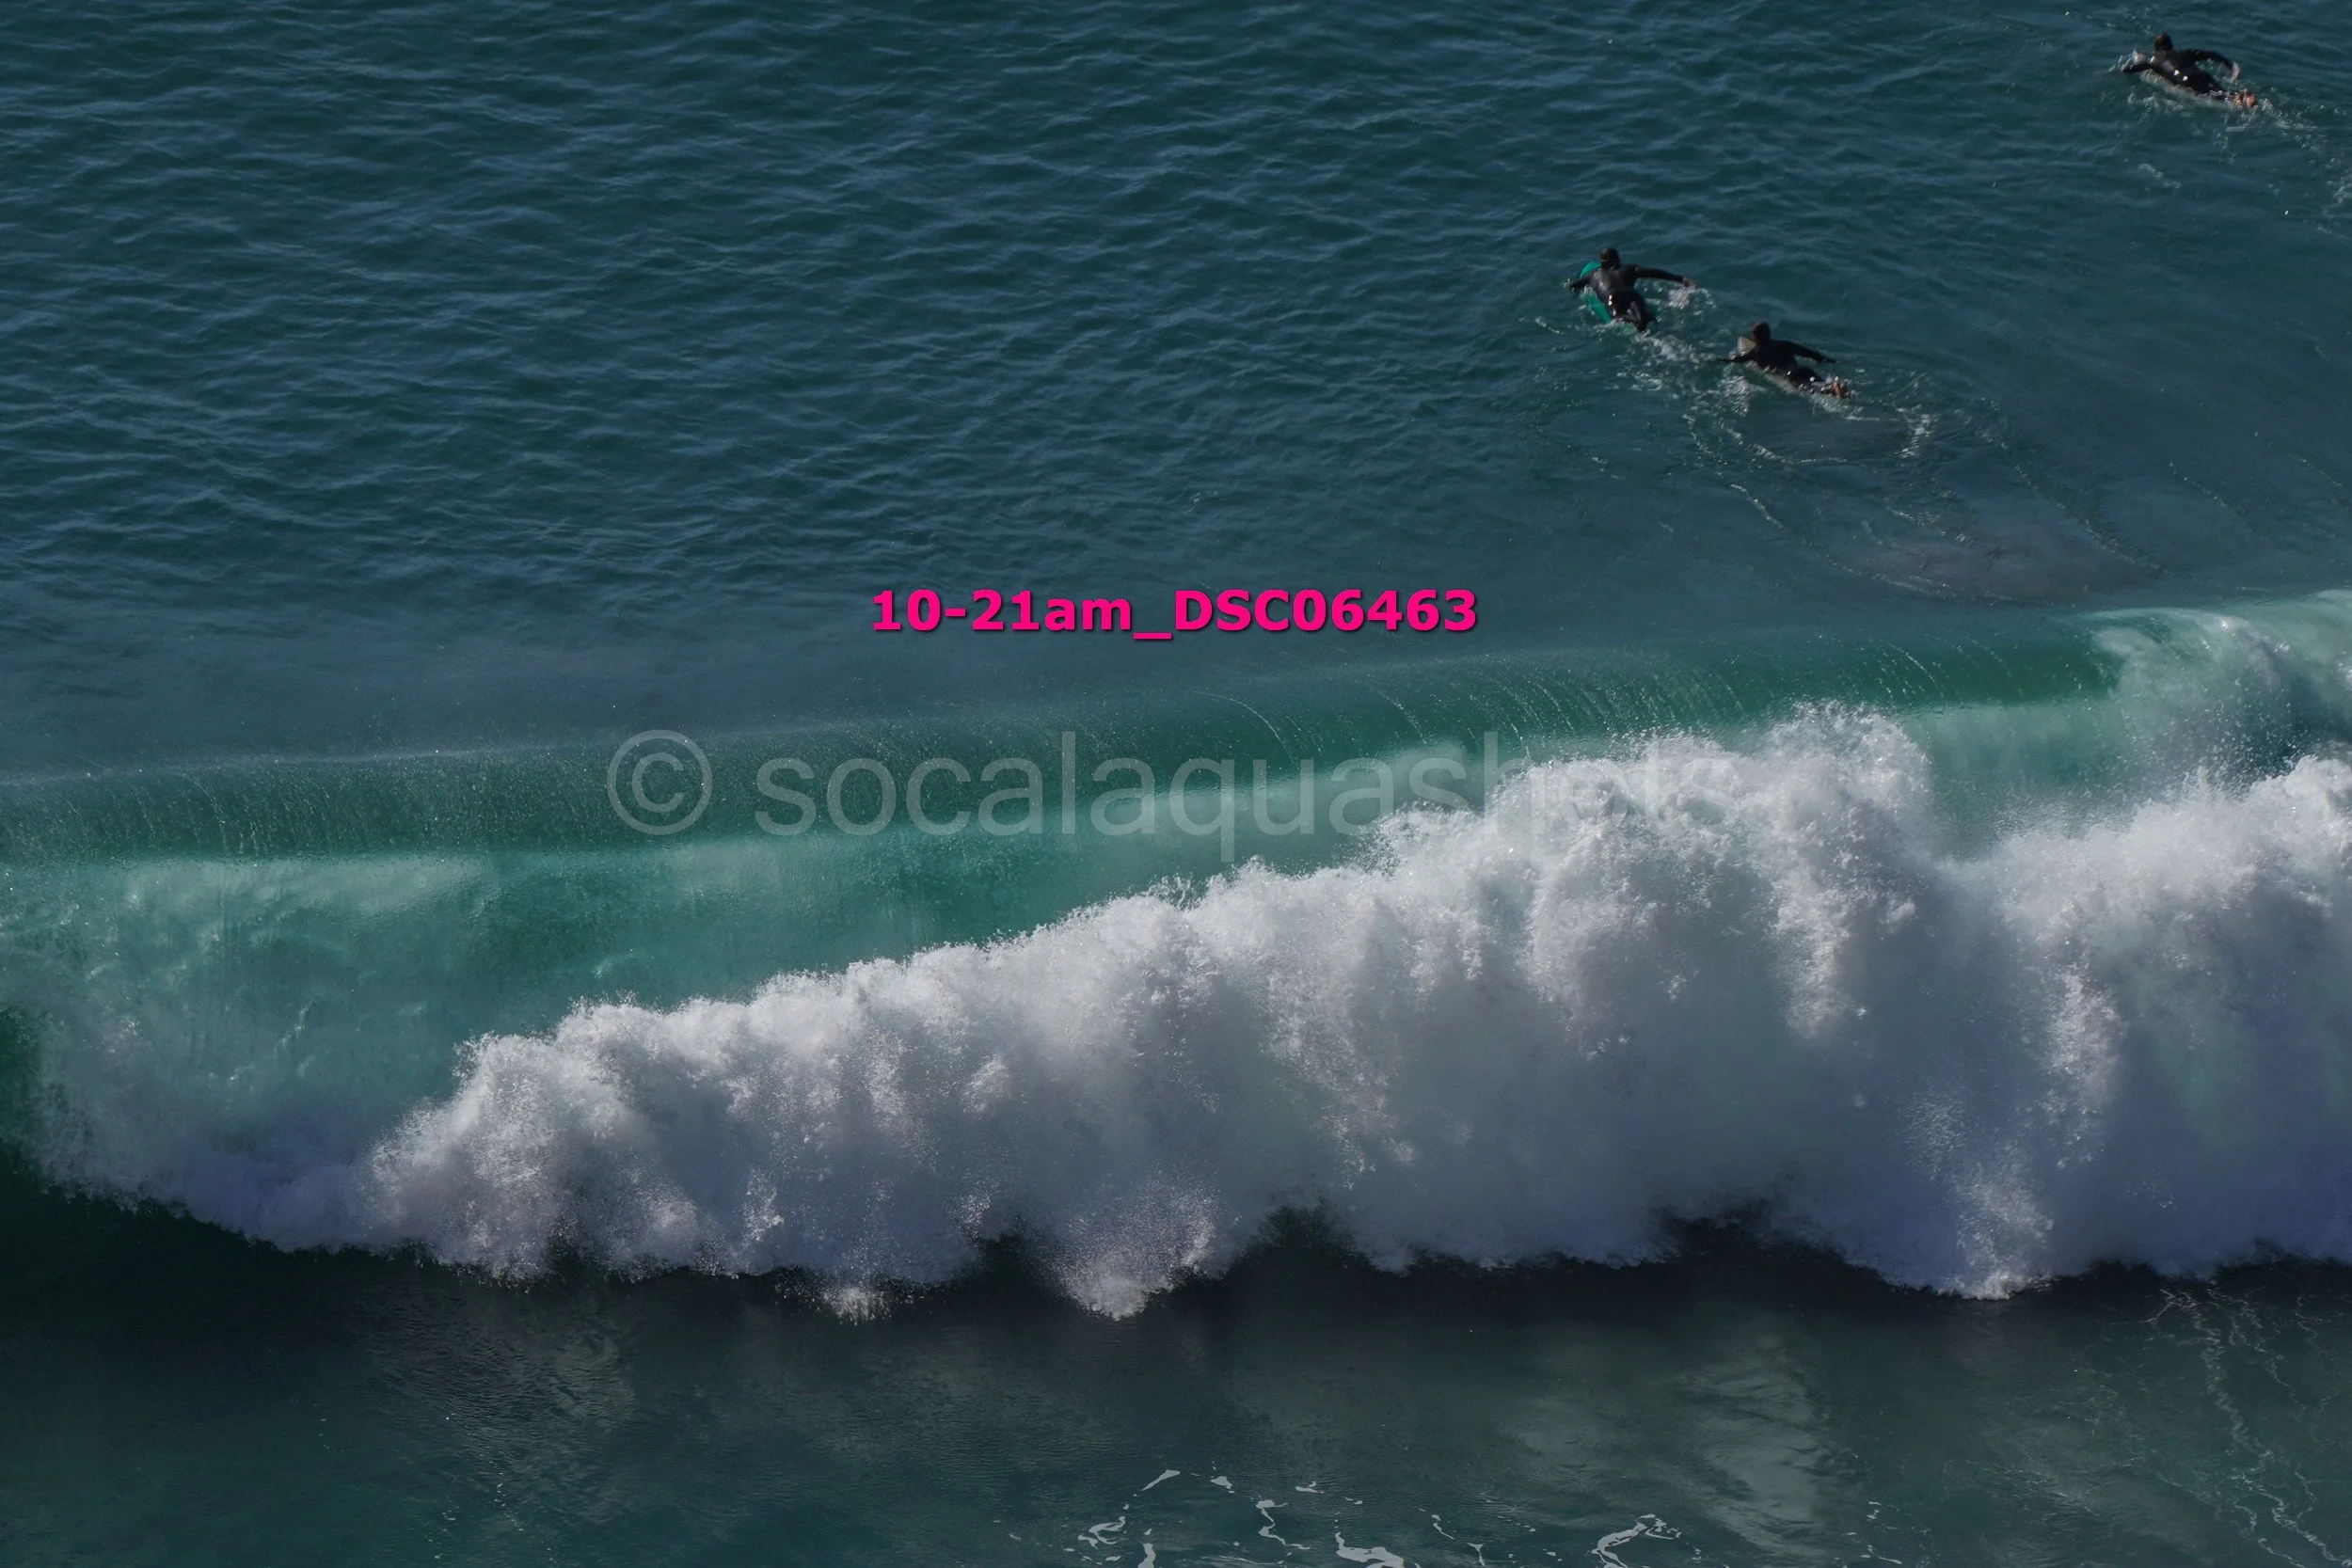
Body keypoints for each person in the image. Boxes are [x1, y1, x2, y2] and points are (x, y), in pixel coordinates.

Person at [1568, 246, 1695, 331]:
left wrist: (1574, 288)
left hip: (1613, 300)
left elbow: (1573, 286)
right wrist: (1680, 279)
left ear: (1602, 263)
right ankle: (1642, 318)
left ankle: (1634, 320)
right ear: (1617, 260)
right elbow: (1655, 273)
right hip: (1632, 295)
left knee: (1619, 316)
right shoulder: (1628, 269)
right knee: (1640, 312)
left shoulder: (1593, 275)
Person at [2121, 34, 2257, 108]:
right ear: (2171, 46)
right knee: (2221, 92)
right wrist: (2230, 65)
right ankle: (2240, 95)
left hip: (2186, 80)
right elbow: (2211, 54)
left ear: (2156, 49)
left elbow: (2133, 69)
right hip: (2202, 75)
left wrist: (2121, 71)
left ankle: (2239, 100)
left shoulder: (2153, 61)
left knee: (2211, 96)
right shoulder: (2185, 53)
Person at [1720, 322, 1851, 399]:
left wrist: (1713, 360)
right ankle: (1837, 386)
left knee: (1811, 390)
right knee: (1820, 382)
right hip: (1803, 369)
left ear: (1755, 338)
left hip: (1790, 376)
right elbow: (1811, 354)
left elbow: (1732, 360)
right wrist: (1832, 361)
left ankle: (1833, 389)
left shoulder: (1755, 352)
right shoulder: (1784, 344)